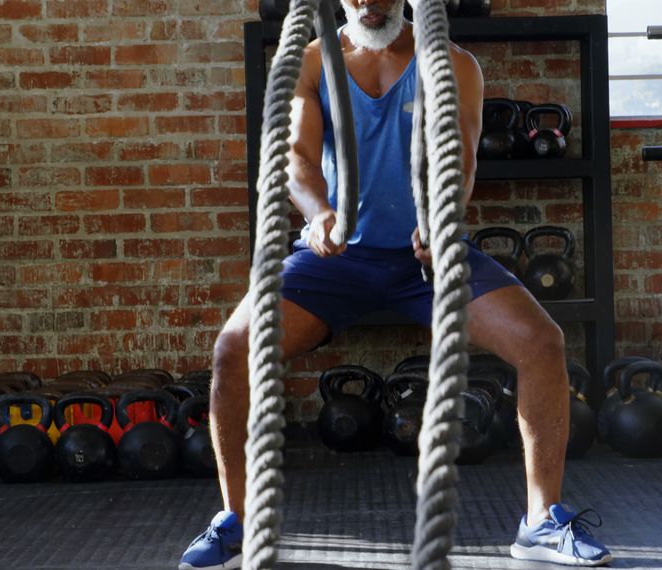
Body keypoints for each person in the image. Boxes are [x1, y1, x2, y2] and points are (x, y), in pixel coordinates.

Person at [179, 1, 612, 568]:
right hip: (336, 259)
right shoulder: (315, 62)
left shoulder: (452, 64)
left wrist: (440, 219)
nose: (370, 1)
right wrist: (319, 214)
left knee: (542, 342)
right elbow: (298, 158)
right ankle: (235, 520)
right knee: (233, 350)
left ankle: (539, 522)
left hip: (423, 256)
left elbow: (459, 159)